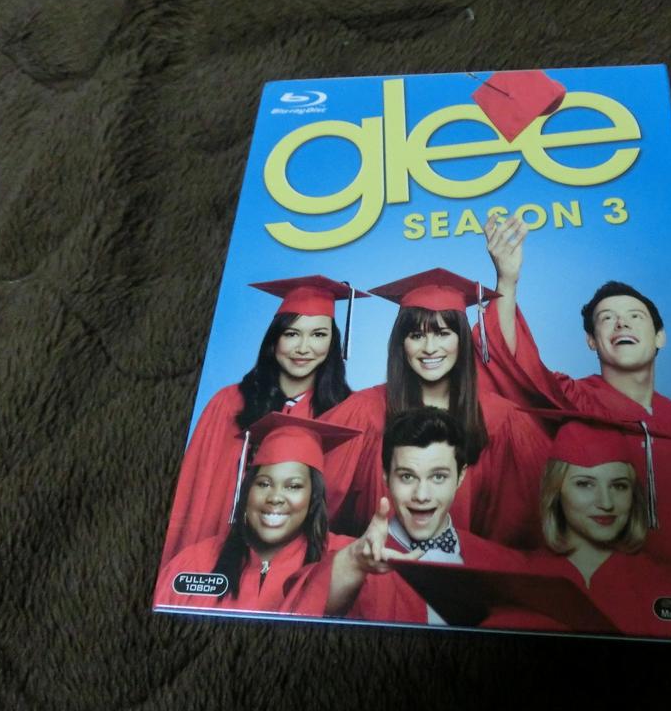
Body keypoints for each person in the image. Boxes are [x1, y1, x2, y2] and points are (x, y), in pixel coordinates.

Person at [478, 216, 671, 592]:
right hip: (609, 587)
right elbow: (515, 366)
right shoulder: (575, 399)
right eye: (607, 319)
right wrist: (507, 280)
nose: (621, 325)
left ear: (660, 337)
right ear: (591, 341)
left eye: (635, 317)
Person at [320, 268, 549, 549]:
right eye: (416, 335)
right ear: (401, 343)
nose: (430, 348)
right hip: (378, 571)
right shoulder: (363, 412)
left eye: (442, 333)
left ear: (462, 339)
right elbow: (311, 500)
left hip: (469, 572)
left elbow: (531, 522)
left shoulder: (502, 419)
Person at [159, 275, 365, 568]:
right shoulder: (229, 403)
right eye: (292, 334)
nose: (304, 348)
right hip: (219, 557)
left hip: (298, 567)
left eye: (319, 334)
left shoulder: (349, 412)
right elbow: (196, 491)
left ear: (333, 342)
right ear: (274, 338)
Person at [518, 413, 671, 643]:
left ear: (634, 494)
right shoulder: (518, 579)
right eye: (584, 484)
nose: (606, 503)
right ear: (555, 491)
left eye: (619, 486)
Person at [321, 407, 526, 625]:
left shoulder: (496, 564)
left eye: (438, 477)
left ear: (460, 476)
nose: (421, 496)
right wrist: (355, 563)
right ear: (386, 476)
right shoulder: (354, 562)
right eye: (407, 477)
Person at [154, 413, 361, 616]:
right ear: (247, 491)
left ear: (313, 497)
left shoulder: (347, 560)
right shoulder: (195, 563)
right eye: (263, 484)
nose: (275, 497)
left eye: (293, 486)